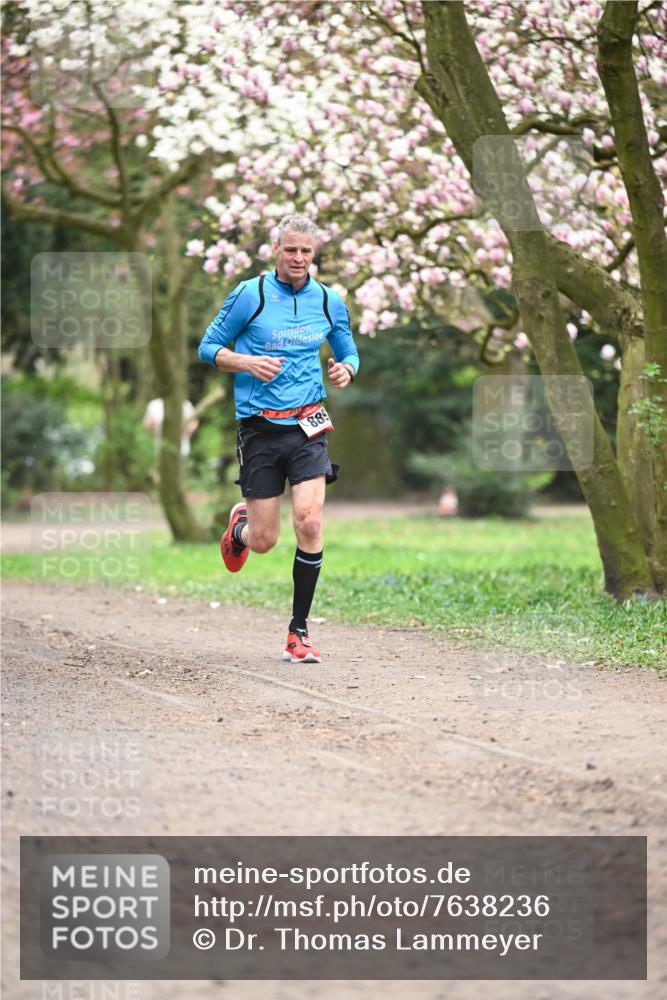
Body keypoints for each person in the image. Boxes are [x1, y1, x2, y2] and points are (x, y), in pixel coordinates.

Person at [198, 214, 359, 664]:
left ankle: (298, 632)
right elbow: (208, 347)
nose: (299, 258)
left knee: (309, 522)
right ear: (276, 249)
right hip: (260, 428)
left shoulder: (328, 300)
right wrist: (247, 363)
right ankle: (241, 528)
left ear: (314, 253)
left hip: (309, 423)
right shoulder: (251, 294)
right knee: (265, 540)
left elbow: (348, 351)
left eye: (306, 251)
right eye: (291, 250)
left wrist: (347, 369)